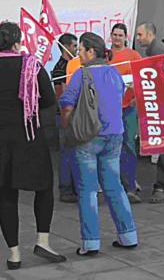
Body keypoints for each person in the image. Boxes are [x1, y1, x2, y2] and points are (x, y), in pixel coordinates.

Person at [0, 22, 66, 270]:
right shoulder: (32, 65)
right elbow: (49, 100)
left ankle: (14, 254)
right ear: (16, 42)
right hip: (27, 134)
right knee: (44, 186)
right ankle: (43, 241)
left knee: (6, 195)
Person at [60, 32, 138, 256]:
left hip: (88, 137)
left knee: (88, 190)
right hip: (115, 134)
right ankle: (128, 236)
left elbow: (67, 104)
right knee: (115, 186)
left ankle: (91, 242)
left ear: (91, 51)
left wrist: (67, 126)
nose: (78, 54)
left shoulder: (81, 75)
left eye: (81, 50)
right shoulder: (114, 73)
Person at [136, 22, 164, 204]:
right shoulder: (157, 49)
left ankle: (161, 186)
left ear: (150, 34)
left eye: (140, 35)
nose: (138, 38)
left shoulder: (157, 51)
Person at [107, 23, 143, 203]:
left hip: (129, 107)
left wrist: (137, 97)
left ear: (126, 37)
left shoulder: (133, 55)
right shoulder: (106, 56)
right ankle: (120, 183)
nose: (117, 38)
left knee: (129, 145)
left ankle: (130, 183)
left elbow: (141, 77)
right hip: (111, 109)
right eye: (115, 35)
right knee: (114, 147)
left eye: (120, 35)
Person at [51, 33, 79, 203]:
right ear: (66, 47)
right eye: (75, 46)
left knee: (74, 151)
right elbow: (61, 94)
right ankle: (66, 189)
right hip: (65, 114)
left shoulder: (74, 65)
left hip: (73, 113)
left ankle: (74, 187)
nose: (77, 49)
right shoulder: (61, 68)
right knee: (67, 152)